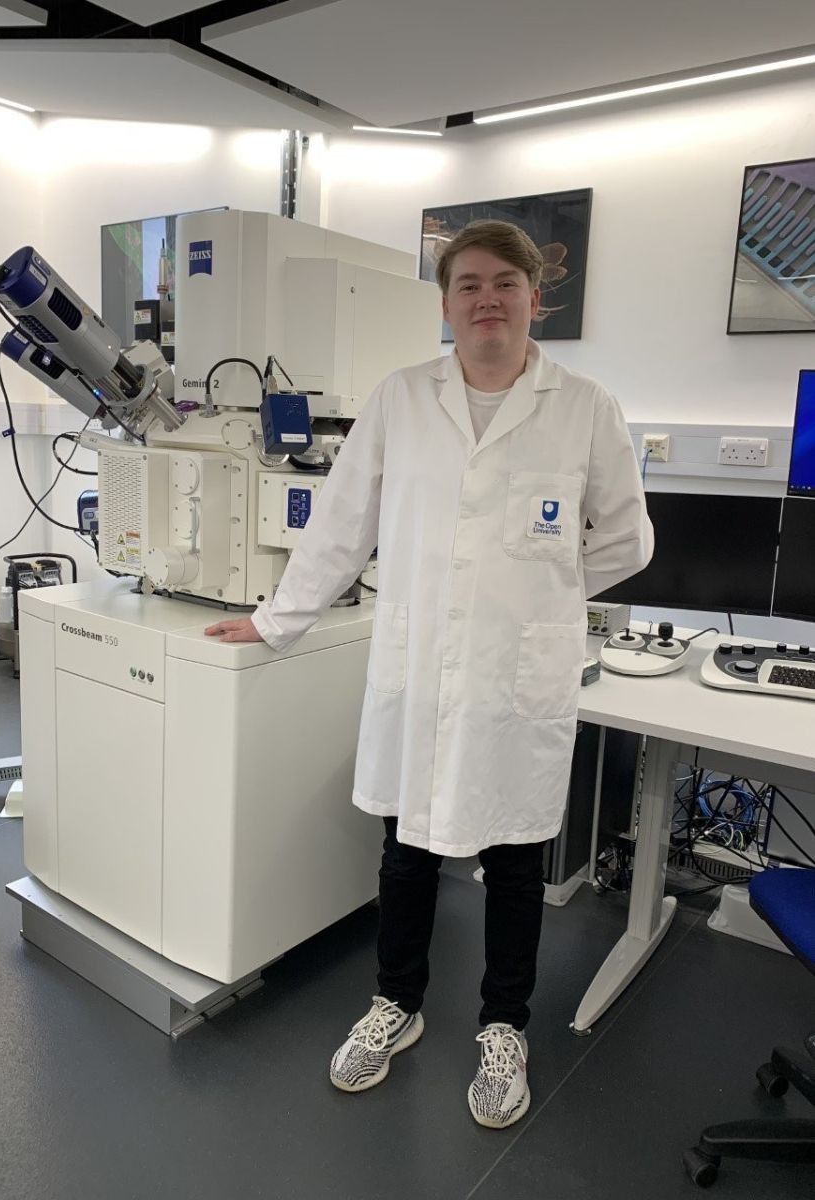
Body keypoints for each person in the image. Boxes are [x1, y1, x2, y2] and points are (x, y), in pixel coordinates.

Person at [205, 220, 653, 1128]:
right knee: (406, 850)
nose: (486, 298)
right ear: (446, 304)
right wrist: (276, 618)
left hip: (516, 669)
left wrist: (538, 592)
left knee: (515, 857)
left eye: (505, 284)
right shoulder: (401, 398)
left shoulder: (586, 406)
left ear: (536, 296)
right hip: (421, 663)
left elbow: (628, 537)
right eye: (467, 285)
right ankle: (396, 1006)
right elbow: (341, 523)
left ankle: (503, 1027)